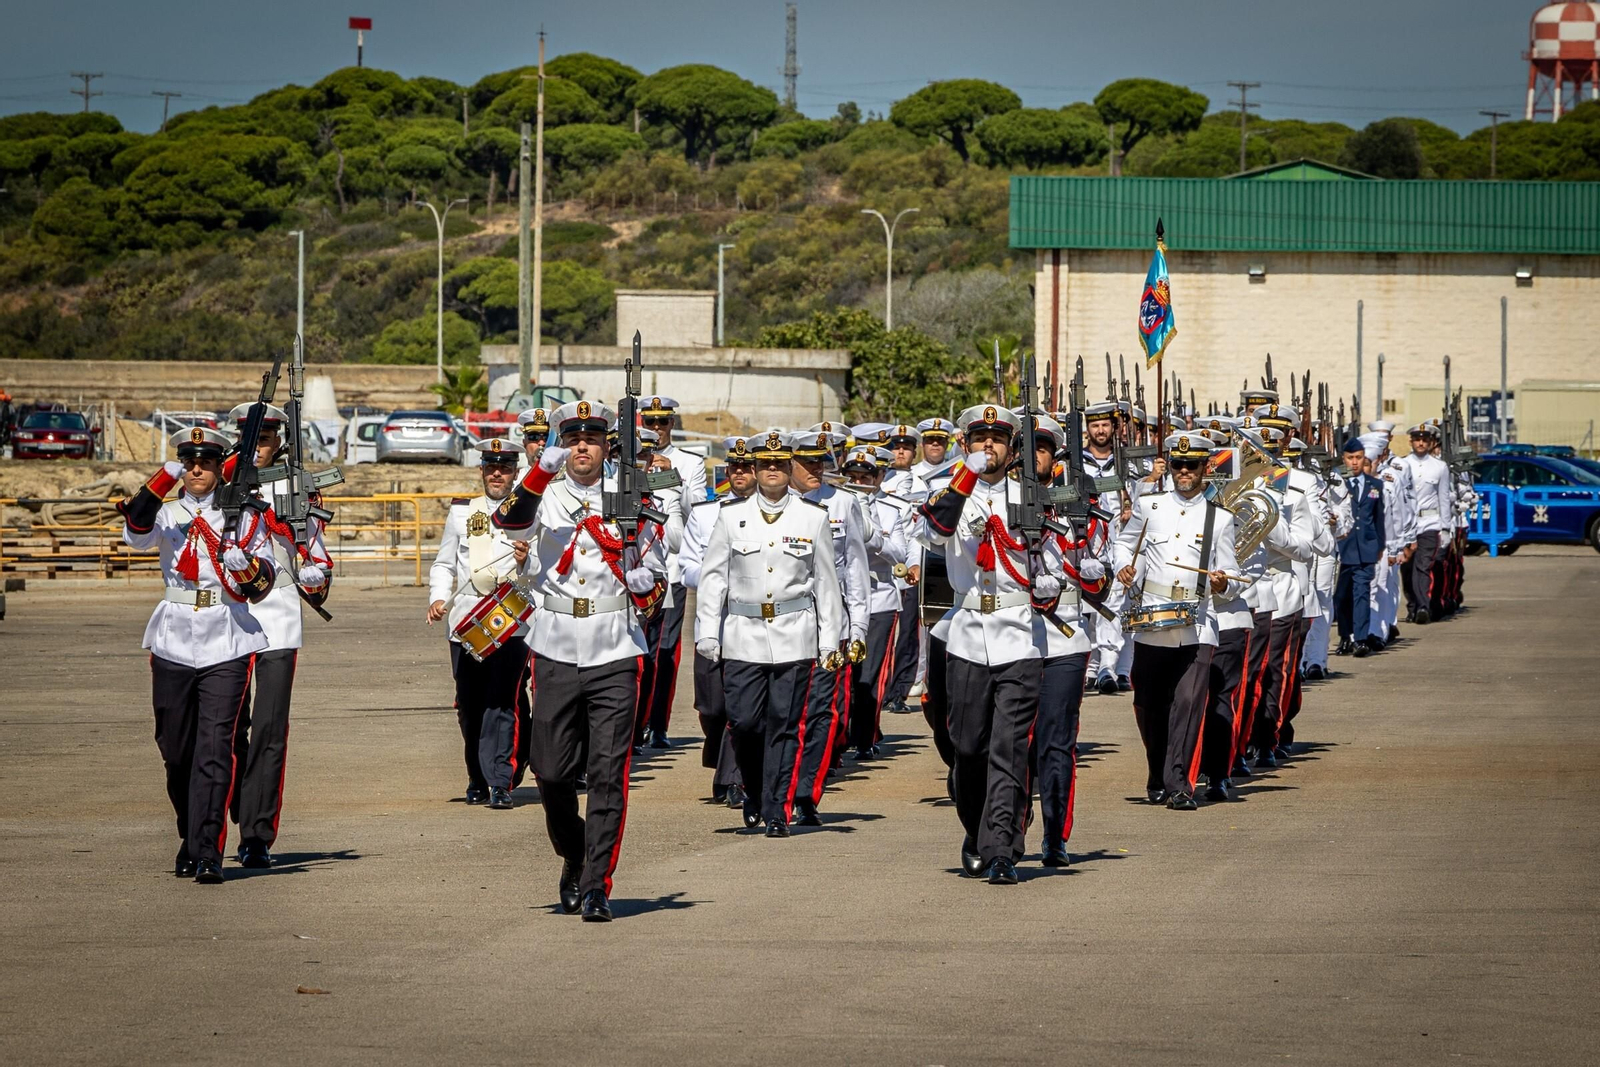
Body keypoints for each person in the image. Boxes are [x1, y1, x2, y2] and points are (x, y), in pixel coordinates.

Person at [492, 401, 668, 922]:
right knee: (549, 770)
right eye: (573, 438)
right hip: (556, 644)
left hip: (615, 645)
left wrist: (647, 581)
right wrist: (539, 472)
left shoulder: (631, 494)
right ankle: (574, 852)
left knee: (609, 772)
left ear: (607, 444)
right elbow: (511, 523)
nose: (583, 446)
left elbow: (655, 565)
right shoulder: (542, 494)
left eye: (592, 437)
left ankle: (597, 884)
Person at [915, 404, 1067, 883]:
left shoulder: (1032, 495)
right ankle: (977, 826)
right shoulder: (950, 490)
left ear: (1011, 445)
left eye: (998, 438)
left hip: (1019, 632)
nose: (989, 445)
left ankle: (1002, 846)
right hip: (965, 632)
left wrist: (1050, 584)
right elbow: (933, 533)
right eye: (979, 437)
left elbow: (1052, 558)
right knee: (968, 747)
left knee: (1008, 748)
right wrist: (965, 475)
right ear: (966, 443)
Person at [120, 427, 278, 883]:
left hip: (225, 637)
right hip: (172, 636)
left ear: (219, 467)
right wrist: (160, 478)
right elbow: (135, 533)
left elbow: (263, 581)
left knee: (215, 748)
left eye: (205, 463)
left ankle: (207, 850)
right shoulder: (167, 514)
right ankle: (190, 834)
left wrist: (244, 564)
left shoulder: (245, 516)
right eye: (187, 462)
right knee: (175, 748)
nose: (195, 470)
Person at [693, 431, 845, 837]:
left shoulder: (812, 518)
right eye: (765, 465)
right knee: (744, 722)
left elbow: (826, 583)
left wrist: (831, 639)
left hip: (795, 634)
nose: (772, 471)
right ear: (755, 470)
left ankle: (777, 808)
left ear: (789, 468)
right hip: (743, 633)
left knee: (785, 723)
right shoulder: (731, 516)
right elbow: (712, 579)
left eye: (779, 464)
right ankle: (756, 792)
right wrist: (707, 630)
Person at [222, 402, 333, 868]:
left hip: (278, 615)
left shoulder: (297, 487)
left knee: (269, 729)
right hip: (227, 615)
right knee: (225, 726)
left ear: (279, 441)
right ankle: (234, 795)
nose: (257, 447)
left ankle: (257, 834)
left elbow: (319, 558)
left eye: (265, 438)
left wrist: (315, 575)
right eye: (250, 438)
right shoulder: (219, 483)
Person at [1112, 433, 1245, 810]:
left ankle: (1180, 784)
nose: (1184, 472)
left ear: (1207, 468)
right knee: (1149, 705)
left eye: (1192, 465)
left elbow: (1230, 575)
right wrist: (1124, 566)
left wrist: (1222, 583)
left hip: (1197, 623)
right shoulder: (1149, 505)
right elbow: (1124, 542)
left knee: (1188, 704)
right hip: (1152, 615)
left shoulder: (1219, 518)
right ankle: (1158, 771)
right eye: (1178, 465)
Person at [426, 438, 535, 811]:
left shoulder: (531, 514)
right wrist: (438, 598)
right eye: (491, 467)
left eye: (504, 467)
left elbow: (544, 571)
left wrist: (525, 561)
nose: (497, 473)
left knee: (501, 703)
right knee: (470, 706)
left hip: (510, 620)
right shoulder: (461, 513)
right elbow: (444, 563)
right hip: (466, 621)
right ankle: (476, 775)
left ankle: (500, 780)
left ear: (515, 472)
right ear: (482, 471)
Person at [1020, 412, 1108, 865]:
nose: (1033, 455)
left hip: (1066, 638)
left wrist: (1093, 572)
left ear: (1055, 456)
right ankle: (1010, 827)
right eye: (1027, 446)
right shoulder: (998, 503)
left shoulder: (1075, 506)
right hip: (1011, 638)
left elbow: (1097, 581)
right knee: (1011, 741)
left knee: (1056, 742)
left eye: (1042, 447)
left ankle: (1055, 833)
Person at [787, 428, 871, 824]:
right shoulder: (769, 504)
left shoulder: (842, 502)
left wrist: (858, 628)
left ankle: (806, 794)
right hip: (782, 627)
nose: (815, 469)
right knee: (778, 712)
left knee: (822, 712)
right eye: (807, 463)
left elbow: (855, 567)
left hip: (830, 627)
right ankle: (773, 788)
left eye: (820, 461)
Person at [681, 435, 758, 806]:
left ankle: (735, 778)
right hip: (712, 623)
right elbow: (688, 567)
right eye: (734, 467)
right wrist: (720, 577)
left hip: (751, 624)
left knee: (740, 706)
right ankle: (719, 759)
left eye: (746, 467)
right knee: (712, 708)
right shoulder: (706, 513)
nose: (739, 473)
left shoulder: (770, 513)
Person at [634, 396, 704, 750]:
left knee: (664, 652)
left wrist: (669, 477)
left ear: (672, 424)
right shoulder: (629, 459)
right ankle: (635, 721)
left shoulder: (691, 463)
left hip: (672, 571)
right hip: (635, 570)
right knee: (636, 651)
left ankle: (658, 723)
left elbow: (696, 513)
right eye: (650, 421)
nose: (656, 428)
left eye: (662, 423)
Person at [841, 444, 911, 761]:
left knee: (870, 674)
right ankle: (839, 736)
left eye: (865, 477)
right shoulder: (835, 506)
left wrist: (875, 539)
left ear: (879, 477)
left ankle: (866, 736)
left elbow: (900, 554)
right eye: (852, 476)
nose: (858, 482)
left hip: (878, 596)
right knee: (843, 673)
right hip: (842, 597)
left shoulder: (891, 511)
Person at [875, 424, 928, 714]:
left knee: (908, 634)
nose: (900, 451)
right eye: (896, 446)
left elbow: (917, 533)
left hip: (908, 567)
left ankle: (900, 690)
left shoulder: (923, 484)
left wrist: (915, 563)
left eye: (906, 447)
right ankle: (878, 690)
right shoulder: (878, 479)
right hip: (880, 571)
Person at [1334, 440, 1386, 658]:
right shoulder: (1338, 483)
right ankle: (1345, 636)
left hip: (1366, 547)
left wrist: (1381, 545)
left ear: (1364, 458)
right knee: (1342, 596)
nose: (1354, 463)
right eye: (1350, 458)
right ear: (1343, 459)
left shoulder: (1375, 485)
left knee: (1362, 593)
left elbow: (1379, 518)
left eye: (1358, 458)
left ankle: (1361, 639)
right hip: (1344, 547)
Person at [1401, 424, 1451, 625]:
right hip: (1407, 523)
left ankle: (1423, 607)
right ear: (1411, 441)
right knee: (1407, 568)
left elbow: (1444, 497)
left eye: (1424, 439)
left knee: (1422, 565)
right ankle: (1413, 606)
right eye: (1417, 439)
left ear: (1431, 442)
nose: (1420, 443)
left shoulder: (1440, 467)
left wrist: (1446, 527)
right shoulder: (1402, 464)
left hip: (1430, 522)